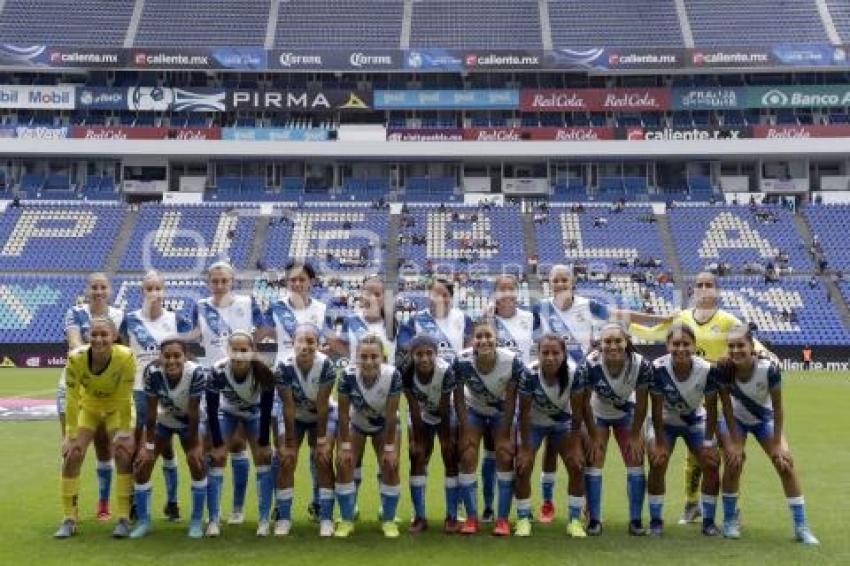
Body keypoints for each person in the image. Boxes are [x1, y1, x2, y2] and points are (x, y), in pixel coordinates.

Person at [630, 270, 770, 525]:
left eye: (709, 285)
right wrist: (625, 324)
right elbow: (653, 333)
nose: (704, 289)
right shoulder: (681, 318)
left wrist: (765, 353)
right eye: (699, 285)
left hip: (720, 392)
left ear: (717, 291)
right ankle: (691, 505)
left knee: (726, 455)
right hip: (687, 392)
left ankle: (732, 507)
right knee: (693, 458)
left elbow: (750, 341)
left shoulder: (727, 319)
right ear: (693, 290)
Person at [715, 325, 818, 544]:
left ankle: (801, 526)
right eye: (731, 346)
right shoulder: (723, 370)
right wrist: (734, 443)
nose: (735, 350)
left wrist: (779, 444)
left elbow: (778, 408)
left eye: (740, 345)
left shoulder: (769, 369)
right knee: (733, 462)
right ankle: (730, 521)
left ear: (752, 347)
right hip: (735, 420)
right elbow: (725, 408)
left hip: (765, 419)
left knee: (785, 464)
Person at [185, 261, 265, 528]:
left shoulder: (247, 303)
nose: (219, 285)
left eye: (224, 281)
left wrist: (248, 358)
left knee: (239, 444)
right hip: (214, 380)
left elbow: (261, 331)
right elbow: (195, 336)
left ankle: (238, 508)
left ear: (232, 281)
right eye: (214, 281)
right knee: (214, 448)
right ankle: (214, 512)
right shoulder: (201, 307)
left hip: (243, 378)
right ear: (209, 282)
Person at [54, 317, 136, 538]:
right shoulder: (76, 358)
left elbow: (125, 396)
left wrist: (125, 431)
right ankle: (69, 518)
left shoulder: (126, 357)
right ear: (88, 336)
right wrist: (70, 435)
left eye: (104, 334)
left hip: (116, 408)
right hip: (88, 408)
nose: (99, 339)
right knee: (72, 454)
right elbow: (71, 399)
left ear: (114, 336)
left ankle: (123, 517)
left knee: (122, 453)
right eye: (94, 334)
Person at [260, 260, 329, 521]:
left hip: (314, 384)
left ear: (311, 281)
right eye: (293, 280)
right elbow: (258, 334)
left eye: (302, 279)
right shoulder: (276, 308)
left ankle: (317, 502)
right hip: (283, 386)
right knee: (284, 451)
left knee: (317, 451)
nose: (298, 283)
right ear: (287, 282)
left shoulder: (322, 309)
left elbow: (330, 341)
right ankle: (281, 504)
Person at [121, 270, 191, 521]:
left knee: (169, 449)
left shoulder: (175, 320)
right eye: (148, 288)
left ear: (164, 291)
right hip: (139, 391)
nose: (153, 293)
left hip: (169, 391)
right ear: (142, 291)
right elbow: (118, 350)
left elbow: (186, 354)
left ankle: (172, 503)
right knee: (138, 448)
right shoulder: (129, 320)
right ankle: (134, 502)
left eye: (157, 288)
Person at [58, 272, 125, 521]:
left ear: (110, 290)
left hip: (105, 389)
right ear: (88, 290)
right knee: (71, 448)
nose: (98, 291)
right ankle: (69, 511)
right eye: (94, 287)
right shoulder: (75, 312)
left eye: (102, 287)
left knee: (104, 448)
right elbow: (74, 345)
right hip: (73, 385)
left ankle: (104, 505)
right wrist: (100, 348)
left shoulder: (119, 316)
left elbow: (122, 349)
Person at [646, 324, 721, 537]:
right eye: (675, 344)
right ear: (667, 345)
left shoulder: (706, 370)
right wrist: (659, 443)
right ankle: (656, 521)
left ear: (695, 346)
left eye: (686, 344)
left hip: (695, 420)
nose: (680, 348)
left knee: (712, 463)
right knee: (657, 462)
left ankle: (708, 521)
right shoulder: (658, 368)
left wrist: (708, 443)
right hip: (664, 422)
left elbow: (712, 408)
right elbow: (657, 408)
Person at [129, 338, 207, 539]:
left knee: (196, 463)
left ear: (185, 356)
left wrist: (196, 445)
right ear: (160, 357)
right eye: (167, 356)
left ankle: (197, 521)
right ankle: (144, 522)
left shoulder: (196, 373)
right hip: (165, 421)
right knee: (142, 464)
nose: (172, 360)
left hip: (191, 422)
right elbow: (151, 413)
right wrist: (147, 446)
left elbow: (193, 413)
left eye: (177, 356)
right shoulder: (152, 374)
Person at [580, 323, 654, 536]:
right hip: (598, 415)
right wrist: (593, 435)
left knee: (636, 462)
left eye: (617, 341)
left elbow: (642, 403)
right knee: (594, 462)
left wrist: (635, 435)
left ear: (627, 342)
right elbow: (584, 404)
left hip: (627, 415)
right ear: (600, 345)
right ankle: (594, 519)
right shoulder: (590, 364)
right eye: (607, 341)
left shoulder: (641, 364)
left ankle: (636, 520)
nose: (613, 346)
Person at [454, 320, 524, 536]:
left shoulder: (512, 362)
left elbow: (512, 400)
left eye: (488, 336)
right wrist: (465, 428)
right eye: (479, 337)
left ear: (496, 339)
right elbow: (457, 397)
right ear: (472, 341)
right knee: (467, 454)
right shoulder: (461, 360)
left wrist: (504, 432)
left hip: (501, 411)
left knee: (504, 453)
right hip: (473, 409)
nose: (483, 341)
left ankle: (502, 519)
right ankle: (472, 518)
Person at [514, 334, 588, 538]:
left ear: (564, 354)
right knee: (523, 466)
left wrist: (574, 444)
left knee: (576, 465)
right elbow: (525, 414)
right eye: (545, 352)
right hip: (534, 425)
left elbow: (578, 411)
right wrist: (526, 449)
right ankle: (523, 518)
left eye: (555, 353)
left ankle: (574, 520)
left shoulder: (575, 373)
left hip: (561, 424)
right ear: (538, 354)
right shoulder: (529, 373)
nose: (550, 357)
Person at [205, 331, 276, 537]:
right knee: (216, 459)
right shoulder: (218, 370)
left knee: (263, 459)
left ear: (252, 352)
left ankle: (263, 520)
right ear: (228, 351)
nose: (238, 354)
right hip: (226, 412)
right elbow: (211, 408)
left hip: (254, 414)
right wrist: (217, 443)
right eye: (234, 350)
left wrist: (263, 441)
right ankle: (214, 520)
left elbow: (266, 408)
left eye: (243, 350)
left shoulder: (264, 371)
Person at [334, 334, 402, 538]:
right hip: (357, 423)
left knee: (390, 465)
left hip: (385, 426)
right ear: (356, 357)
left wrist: (390, 449)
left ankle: (388, 519)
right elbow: (343, 413)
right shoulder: (347, 375)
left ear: (382, 357)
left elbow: (391, 416)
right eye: (364, 356)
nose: (369, 361)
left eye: (374, 356)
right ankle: (347, 518)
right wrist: (344, 445)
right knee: (345, 463)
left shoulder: (393, 375)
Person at [273, 323, 338, 537]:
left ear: (318, 345)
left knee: (323, 457)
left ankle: (326, 518)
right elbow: (289, 407)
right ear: (293, 343)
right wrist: (290, 443)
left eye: (311, 342)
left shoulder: (326, 366)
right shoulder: (282, 367)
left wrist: (320, 441)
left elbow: (321, 406)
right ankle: (283, 518)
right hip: (295, 416)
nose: (306, 346)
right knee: (286, 458)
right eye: (301, 340)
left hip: (322, 413)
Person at [487, 274, 541, 521]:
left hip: (523, 395)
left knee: (522, 453)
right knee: (494, 453)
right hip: (494, 395)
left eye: (511, 289)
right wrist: (487, 319)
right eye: (502, 289)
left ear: (517, 293)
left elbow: (540, 349)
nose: (507, 293)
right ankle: (491, 507)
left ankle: (524, 508)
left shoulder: (530, 318)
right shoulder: (487, 320)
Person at [402, 334, 459, 533]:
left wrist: (446, 439)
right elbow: (413, 408)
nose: (424, 358)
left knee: (450, 456)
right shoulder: (405, 371)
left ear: (436, 354)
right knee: (417, 456)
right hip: (421, 415)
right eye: (419, 354)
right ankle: (419, 517)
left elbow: (444, 408)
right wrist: (418, 441)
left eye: (429, 354)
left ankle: (452, 516)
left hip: (445, 413)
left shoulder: (446, 371)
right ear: (412, 355)